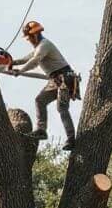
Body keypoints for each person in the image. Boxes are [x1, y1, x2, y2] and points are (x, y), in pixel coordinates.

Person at [10, 20, 77, 151]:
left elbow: (35, 61)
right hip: (55, 80)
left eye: (29, 38)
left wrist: (21, 71)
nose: (29, 41)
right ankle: (41, 130)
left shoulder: (44, 45)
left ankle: (71, 139)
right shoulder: (38, 47)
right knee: (40, 100)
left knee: (62, 108)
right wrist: (12, 63)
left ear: (34, 35)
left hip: (65, 78)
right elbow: (27, 58)